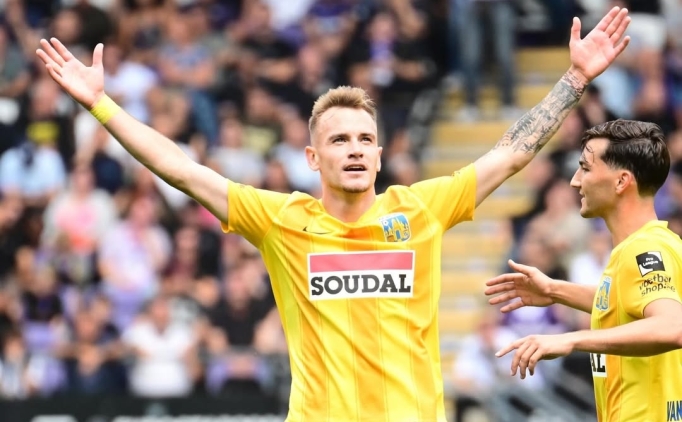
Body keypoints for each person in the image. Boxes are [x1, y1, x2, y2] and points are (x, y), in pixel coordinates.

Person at [35, 7, 631, 421]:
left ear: (380, 154)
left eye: (365, 139)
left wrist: (575, 78)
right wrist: (102, 105)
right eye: (339, 140)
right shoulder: (280, 220)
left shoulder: (420, 209)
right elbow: (184, 171)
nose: (354, 149)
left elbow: (512, 154)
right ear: (312, 157)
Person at [485, 119, 682, 422]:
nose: (575, 181)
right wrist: (554, 290)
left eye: (586, 169)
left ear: (621, 181)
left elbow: (672, 326)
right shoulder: (654, 244)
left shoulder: (644, 250)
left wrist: (570, 340)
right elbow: (624, 304)